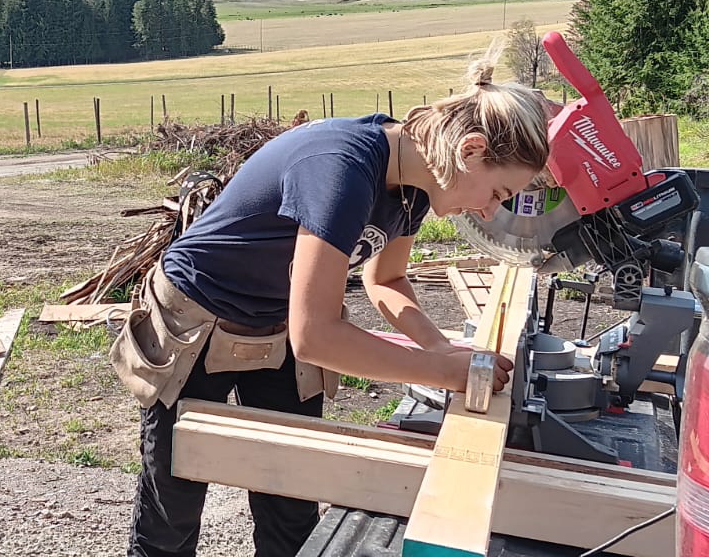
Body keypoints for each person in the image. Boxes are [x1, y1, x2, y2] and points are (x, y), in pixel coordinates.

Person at [111, 41, 552, 557]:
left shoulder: (413, 184)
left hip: (277, 322)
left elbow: (385, 279)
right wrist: (441, 374)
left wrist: (440, 350)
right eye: (497, 192)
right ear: (471, 150)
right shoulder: (344, 168)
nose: (486, 209)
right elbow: (316, 333)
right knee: (174, 505)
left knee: (291, 501)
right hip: (198, 318)